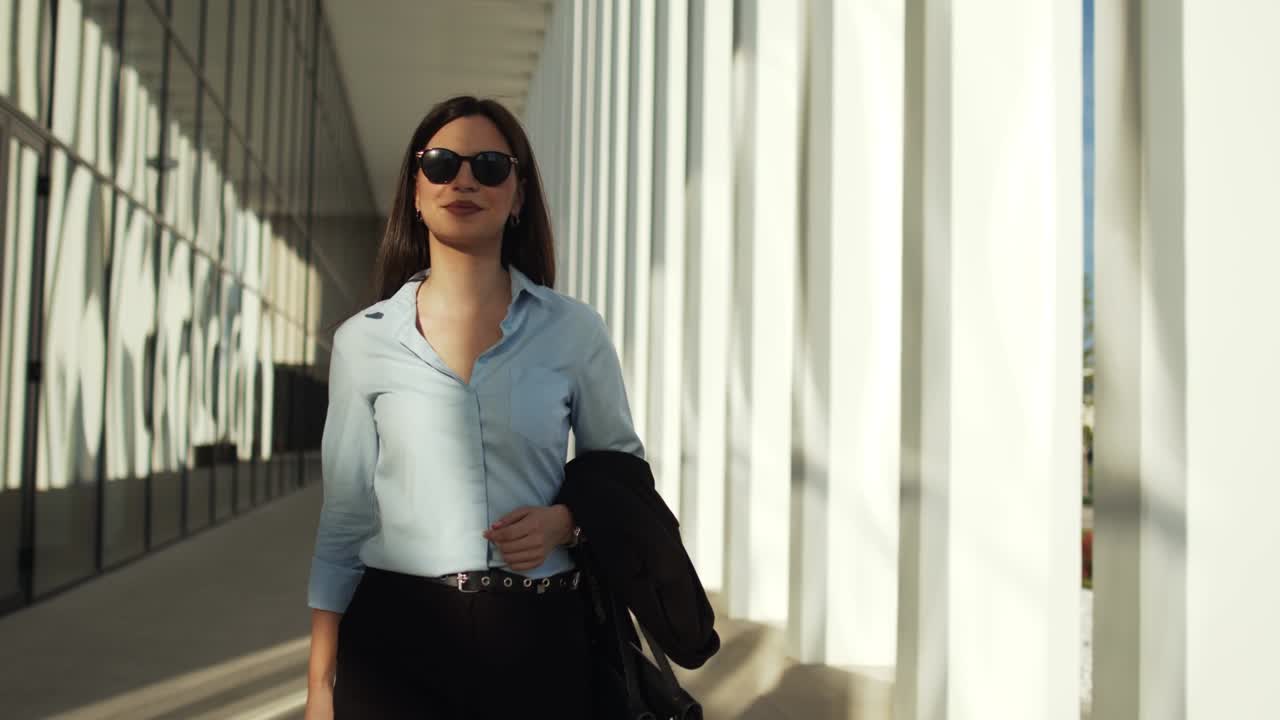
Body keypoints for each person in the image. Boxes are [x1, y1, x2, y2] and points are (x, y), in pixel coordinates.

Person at [303, 95, 644, 719]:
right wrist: (320, 687)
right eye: (439, 163)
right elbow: (344, 521)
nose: (463, 179)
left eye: (489, 166)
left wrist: (565, 522)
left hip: (539, 638)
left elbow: (621, 474)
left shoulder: (574, 332)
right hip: (395, 641)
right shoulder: (364, 341)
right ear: (414, 190)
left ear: (518, 197)